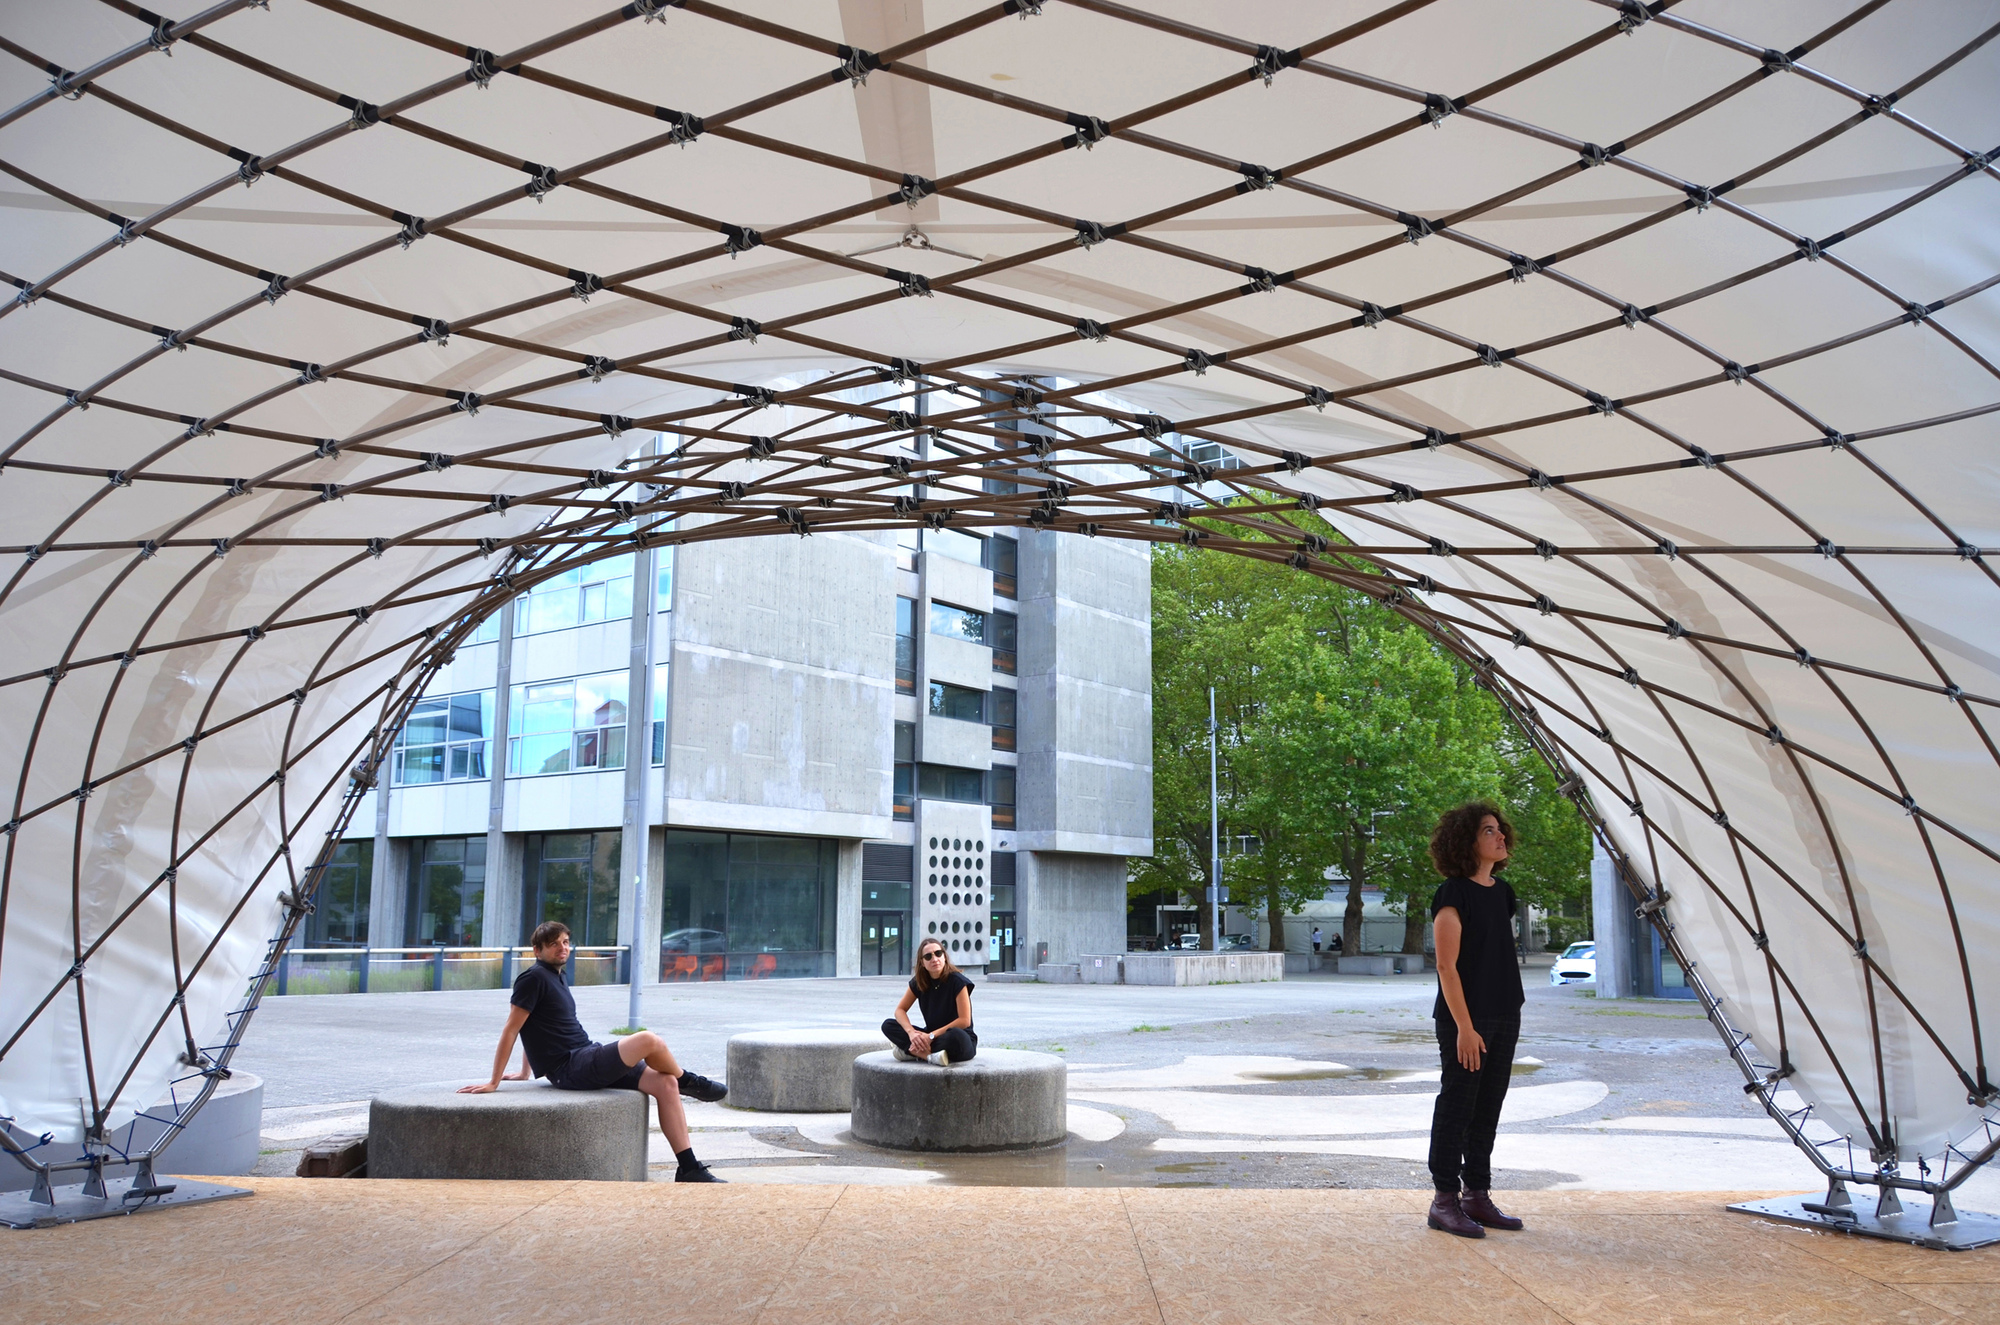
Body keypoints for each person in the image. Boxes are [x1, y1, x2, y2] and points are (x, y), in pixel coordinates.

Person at [460, 920, 729, 1183]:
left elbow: (536, 1026)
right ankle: (689, 1081)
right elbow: (512, 1028)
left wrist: (524, 1072)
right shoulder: (533, 978)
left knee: (665, 1082)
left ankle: (688, 1168)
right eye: (554, 944)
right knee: (648, 1040)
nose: (562, 948)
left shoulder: (557, 975)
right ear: (537, 950)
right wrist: (494, 1082)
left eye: (565, 942)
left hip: (585, 1054)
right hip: (570, 1067)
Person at [1424, 801, 1527, 1238]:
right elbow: (1446, 967)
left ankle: (1477, 1195)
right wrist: (1465, 1028)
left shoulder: (1503, 893)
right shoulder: (1453, 894)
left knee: (1488, 1106)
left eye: (1500, 829)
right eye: (1489, 830)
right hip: (1465, 1020)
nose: (1500, 835)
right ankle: (1444, 1200)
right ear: (1466, 840)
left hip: (1505, 1012)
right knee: (1457, 1107)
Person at [882, 937, 977, 1064]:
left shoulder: (958, 981)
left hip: (957, 1039)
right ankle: (929, 1056)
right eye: (928, 956)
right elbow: (900, 1010)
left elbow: (964, 1021)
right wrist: (911, 1033)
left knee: (956, 1036)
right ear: (922, 962)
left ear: (944, 956)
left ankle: (911, 1051)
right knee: (888, 1025)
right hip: (931, 1036)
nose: (934, 959)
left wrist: (931, 1036)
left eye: (938, 953)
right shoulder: (919, 982)